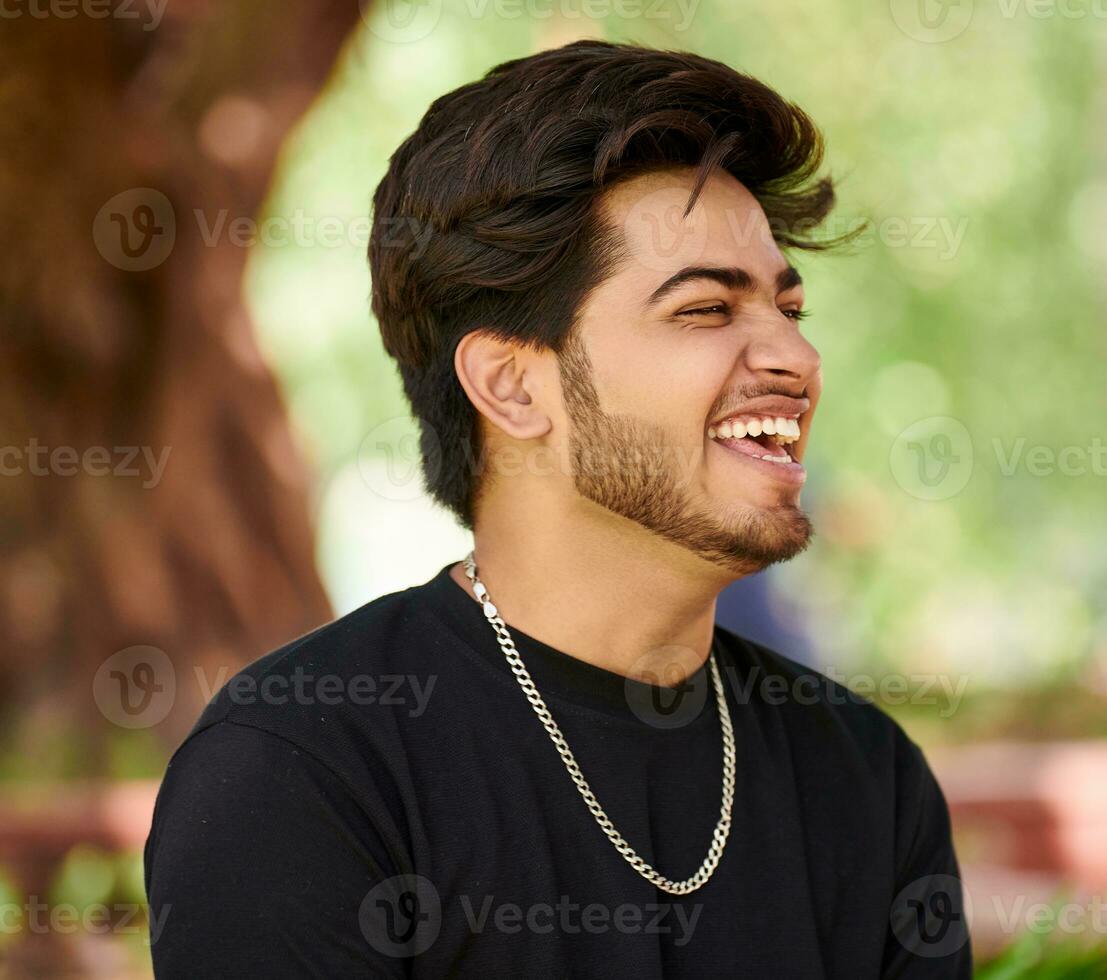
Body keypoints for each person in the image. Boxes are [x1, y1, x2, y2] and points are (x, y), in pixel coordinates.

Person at [145, 39, 971, 978]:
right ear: (510, 385)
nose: (793, 358)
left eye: (790, 309)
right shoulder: (303, 773)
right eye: (706, 309)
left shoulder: (862, 776)